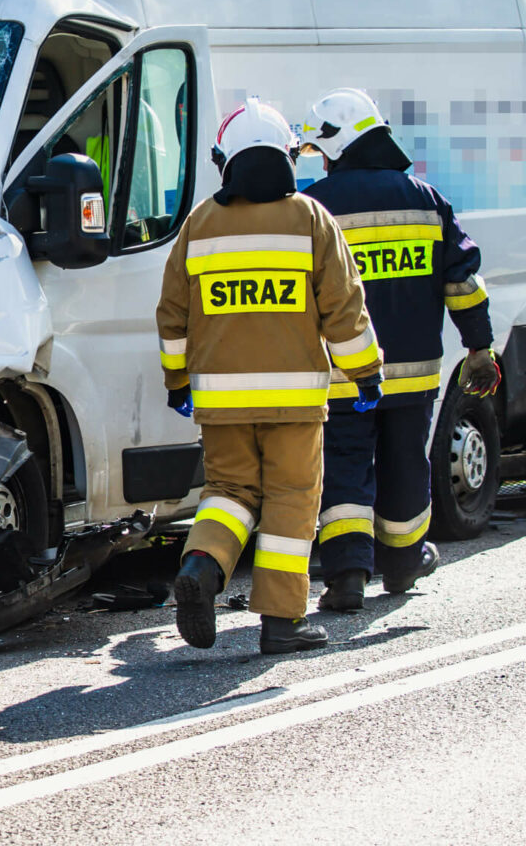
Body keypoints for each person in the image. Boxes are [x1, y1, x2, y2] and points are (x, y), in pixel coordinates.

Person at [157, 98, 383, 655]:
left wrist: (177, 382)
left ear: (225, 160)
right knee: (290, 499)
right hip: (295, 403)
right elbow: (343, 307)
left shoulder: (200, 224)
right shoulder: (310, 219)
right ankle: (282, 624)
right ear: (287, 156)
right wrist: (365, 372)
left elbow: (172, 315)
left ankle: (202, 565)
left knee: (229, 493)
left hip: (221, 401)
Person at [299, 88, 500, 612]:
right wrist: (479, 346)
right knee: (406, 465)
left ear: (338, 144)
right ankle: (404, 563)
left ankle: (346, 576)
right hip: (415, 375)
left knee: (345, 469)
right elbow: (463, 282)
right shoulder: (427, 200)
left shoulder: (316, 207)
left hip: (343, 375)